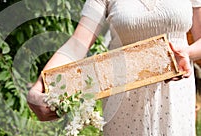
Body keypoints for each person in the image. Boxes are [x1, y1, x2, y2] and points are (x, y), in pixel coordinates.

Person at [27, 0, 201, 135]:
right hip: (123, 104)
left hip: (175, 99)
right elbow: (77, 45)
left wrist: (187, 53)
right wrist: (39, 86)